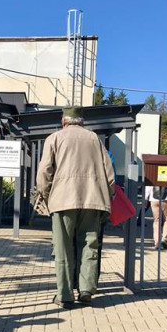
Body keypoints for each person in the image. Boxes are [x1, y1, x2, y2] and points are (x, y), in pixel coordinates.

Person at [36, 106, 115, 309]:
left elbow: (44, 172)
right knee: (89, 244)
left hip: (62, 200)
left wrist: (47, 196)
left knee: (62, 248)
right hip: (93, 199)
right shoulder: (95, 139)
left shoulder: (54, 138)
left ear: (64, 121)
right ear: (82, 122)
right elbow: (109, 174)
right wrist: (108, 197)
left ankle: (64, 294)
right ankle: (87, 289)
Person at [144, 185, 167, 250]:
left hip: (154, 199)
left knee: (156, 221)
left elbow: (148, 186)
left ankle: (157, 242)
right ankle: (164, 239)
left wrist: (145, 198)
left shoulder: (153, 174)